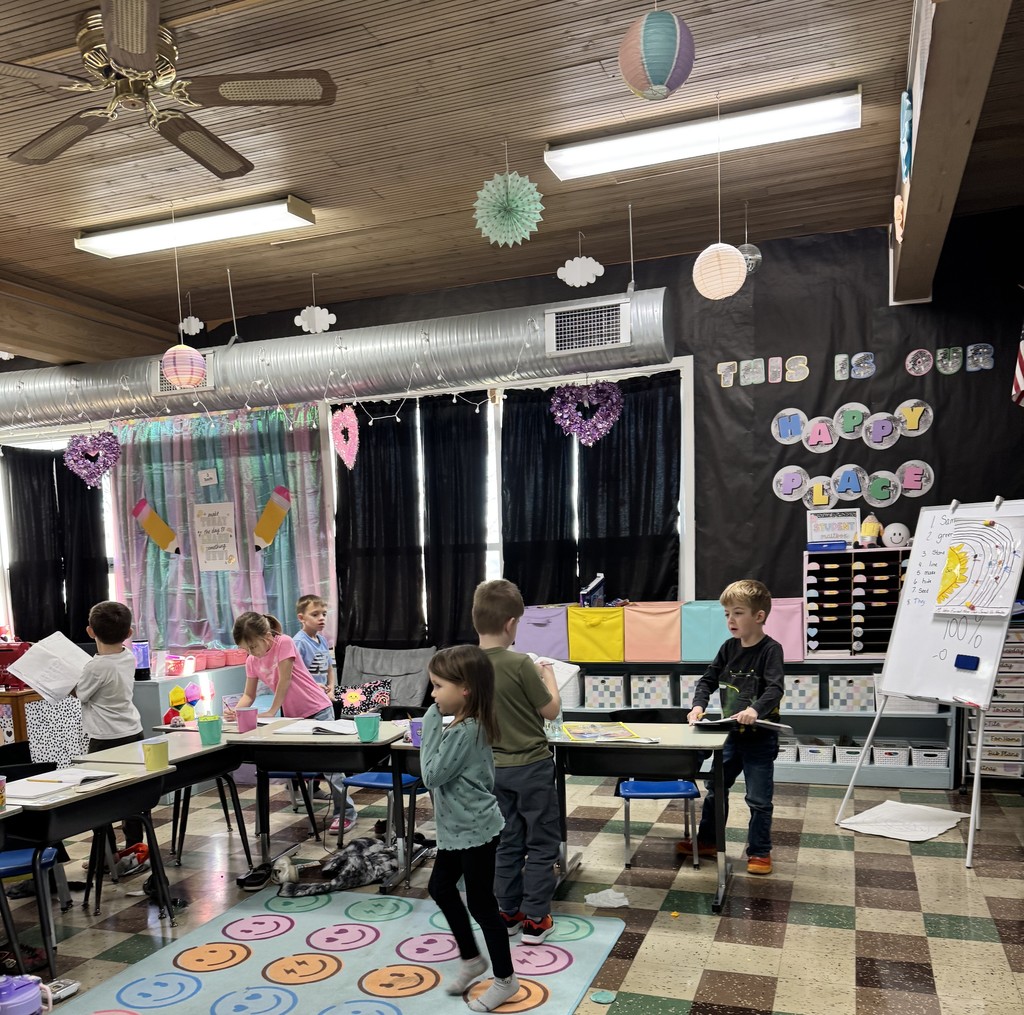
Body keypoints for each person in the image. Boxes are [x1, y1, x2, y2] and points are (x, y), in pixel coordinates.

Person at [421, 645, 519, 1013]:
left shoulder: (466, 730)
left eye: (437, 686)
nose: (433, 695)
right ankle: (471, 960)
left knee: (481, 905)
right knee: (440, 887)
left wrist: (430, 724)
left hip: (474, 830)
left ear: (465, 689)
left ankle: (506, 980)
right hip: (456, 829)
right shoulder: (464, 723)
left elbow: (431, 775)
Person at [473, 578, 561, 945]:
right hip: (532, 767)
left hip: (492, 769)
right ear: (511, 623)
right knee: (541, 843)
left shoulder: (468, 664)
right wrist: (550, 677)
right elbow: (550, 710)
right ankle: (536, 920)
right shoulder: (521, 663)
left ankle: (508, 912)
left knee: (507, 841)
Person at [681, 579, 784, 875]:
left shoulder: (770, 650)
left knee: (759, 799)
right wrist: (698, 706)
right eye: (727, 614)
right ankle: (710, 841)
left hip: (760, 739)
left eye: (737, 613)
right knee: (716, 790)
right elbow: (707, 680)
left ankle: (760, 852)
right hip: (729, 737)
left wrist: (754, 710)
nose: (730, 620)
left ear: (759, 616)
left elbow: (775, 688)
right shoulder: (728, 648)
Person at [228, 612, 351, 833]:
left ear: (266, 636)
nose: (251, 653)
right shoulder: (251, 661)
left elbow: (284, 680)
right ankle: (312, 795)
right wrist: (235, 712)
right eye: (246, 649)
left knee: (332, 766)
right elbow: (248, 695)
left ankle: (345, 813)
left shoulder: (284, 642)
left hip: (318, 708)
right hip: (294, 717)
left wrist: (272, 711)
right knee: (301, 763)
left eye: (253, 646)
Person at [78, 600, 145, 851]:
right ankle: (135, 846)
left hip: (105, 739)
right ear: (129, 634)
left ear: (90, 631)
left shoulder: (96, 666)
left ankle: (104, 855)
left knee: (99, 798)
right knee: (134, 795)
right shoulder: (128, 657)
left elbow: (82, 694)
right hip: (133, 732)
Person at [294, 594, 356, 832]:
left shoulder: (320, 640)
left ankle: (346, 812)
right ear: (301, 618)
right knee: (319, 761)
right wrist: (313, 686)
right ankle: (317, 796)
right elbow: (296, 674)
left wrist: (330, 686)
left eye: (323, 615)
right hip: (306, 707)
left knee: (332, 763)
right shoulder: (298, 643)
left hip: (322, 705)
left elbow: (329, 667)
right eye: (315, 615)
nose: (321, 619)